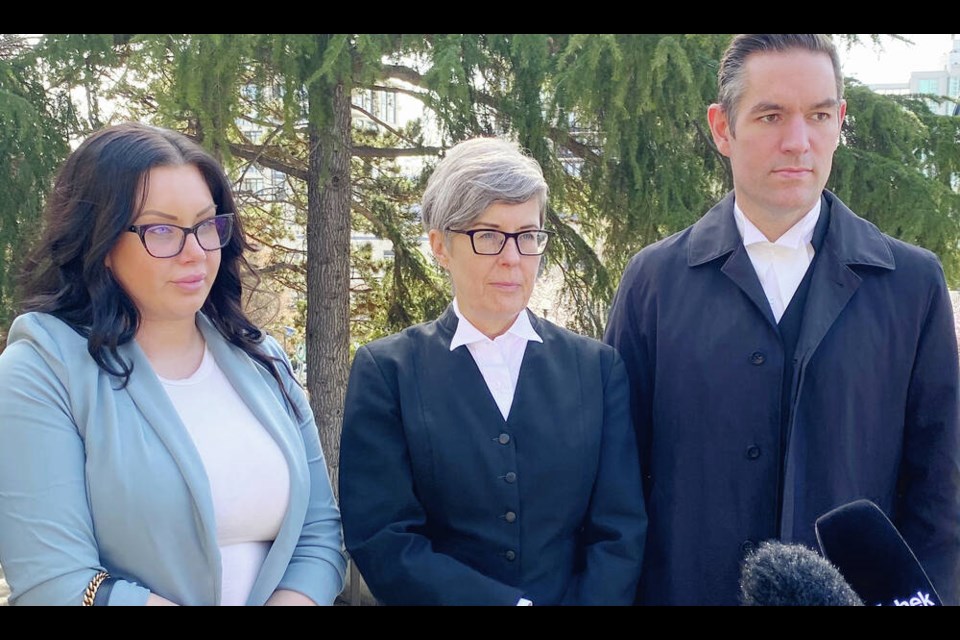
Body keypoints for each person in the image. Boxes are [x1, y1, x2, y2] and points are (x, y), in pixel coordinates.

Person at [604, 33, 960, 605]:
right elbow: (615, 483)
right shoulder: (653, 283)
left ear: (840, 120)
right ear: (723, 128)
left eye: (819, 115)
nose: (798, 142)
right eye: (771, 116)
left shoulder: (913, 285)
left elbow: (941, 491)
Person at [0, 122, 347, 606]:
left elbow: (318, 532)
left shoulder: (261, 357)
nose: (196, 253)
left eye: (207, 226)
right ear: (99, 242)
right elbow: (54, 580)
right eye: (162, 230)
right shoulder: (41, 370)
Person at [338, 136, 647, 605]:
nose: (512, 258)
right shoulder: (388, 372)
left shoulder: (597, 370)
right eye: (488, 235)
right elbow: (383, 536)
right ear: (440, 246)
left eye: (528, 235)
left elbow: (619, 529)